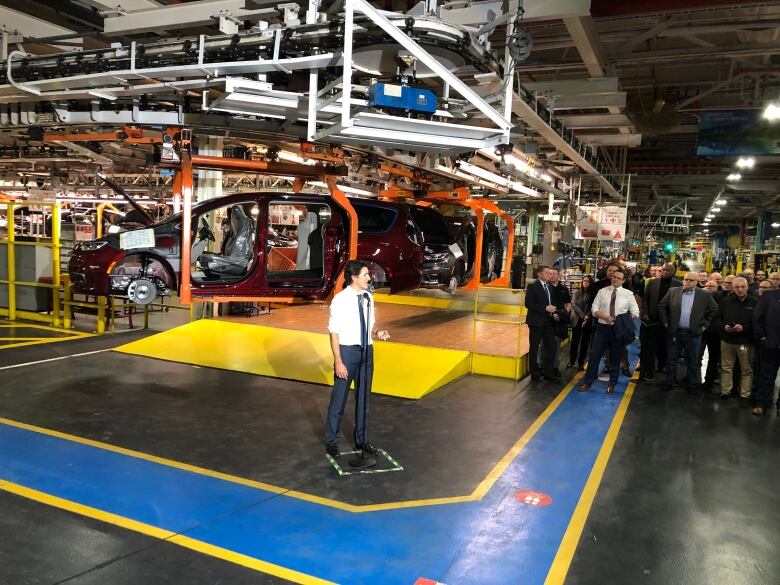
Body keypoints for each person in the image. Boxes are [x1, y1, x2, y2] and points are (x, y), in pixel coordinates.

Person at [325, 260, 390, 458]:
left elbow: (371, 325)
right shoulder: (340, 300)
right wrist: (338, 360)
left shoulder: (368, 297)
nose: (369, 278)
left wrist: (378, 332)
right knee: (339, 399)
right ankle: (332, 441)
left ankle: (361, 441)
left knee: (364, 400)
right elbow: (334, 332)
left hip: (366, 352)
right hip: (347, 353)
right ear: (353, 278)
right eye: (365, 275)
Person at [578, 269, 639, 394]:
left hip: (618, 329)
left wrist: (621, 319)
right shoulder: (602, 292)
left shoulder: (628, 294)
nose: (615, 279)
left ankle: (612, 384)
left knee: (615, 357)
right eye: (614, 277)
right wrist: (605, 316)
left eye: (618, 278)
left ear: (623, 280)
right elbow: (594, 308)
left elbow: (635, 312)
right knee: (594, 355)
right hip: (602, 328)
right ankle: (587, 382)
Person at [658, 271, 718, 393]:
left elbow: (714, 309)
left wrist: (704, 326)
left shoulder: (704, 295)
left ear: (696, 282)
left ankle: (692, 385)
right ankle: (669, 382)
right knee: (671, 358)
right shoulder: (673, 291)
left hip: (694, 333)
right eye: (685, 279)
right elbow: (661, 306)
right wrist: (665, 323)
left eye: (691, 280)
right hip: (675, 331)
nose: (687, 281)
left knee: (693, 360)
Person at [717, 277, 756, 406]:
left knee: (746, 370)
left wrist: (743, 328)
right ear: (733, 288)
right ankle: (725, 391)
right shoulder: (725, 302)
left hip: (745, 342)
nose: (740, 290)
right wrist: (724, 327)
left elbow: (758, 323)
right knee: (726, 367)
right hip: (727, 340)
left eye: (742, 287)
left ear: (747, 287)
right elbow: (717, 319)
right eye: (737, 287)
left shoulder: (755, 302)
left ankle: (745, 394)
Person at [638, 263, 681, 381]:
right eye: (663, 270)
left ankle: (663, 367)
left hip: (670, 321)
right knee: (651, 347)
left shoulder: (678, 284)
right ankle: (649, 371)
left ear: (673, 272)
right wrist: (645, 313)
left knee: (666, 346)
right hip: (653, 320)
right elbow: (645, 299)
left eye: (668, 270)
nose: (664, 272)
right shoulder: (653, 282)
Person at [524, 266, 561, 382]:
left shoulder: (549, 286)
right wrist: (544, 308)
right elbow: (528, 304)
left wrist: (553, 311)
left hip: (547, 322)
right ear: (539, 274)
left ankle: (548, 372)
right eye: (546, 273)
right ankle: (534, 374)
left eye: (550, 273)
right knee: (534, 348)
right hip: (536, 322)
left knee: (552, 345)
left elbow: (549, 302)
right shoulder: (533, 286)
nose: (549, 275)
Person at [752, 284, 780, 415]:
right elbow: (758, 317)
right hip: (770, 344)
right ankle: (761, 404)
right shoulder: (769, 295)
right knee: (766, 375)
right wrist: (762, 336)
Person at [546, 268, 571, 375]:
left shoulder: (564, 289)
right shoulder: (546, 288)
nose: (551, 275)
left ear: (558, 275)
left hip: (560, 321)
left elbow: (568, 303)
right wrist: (553, 313)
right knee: (545, 345)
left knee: (556, 345)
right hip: (548, 320)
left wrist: (564, 313)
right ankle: (545, 367)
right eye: (550, 274)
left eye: (554, 274)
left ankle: (554, 367)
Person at [700, 280, 722, 392]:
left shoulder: (721, 299)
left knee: (713, 358)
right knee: (697, 355)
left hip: (714, 333)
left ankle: (710, 380)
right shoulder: (700, 298)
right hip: (701, 331)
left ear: (717, 288)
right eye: (707, 285)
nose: (708, 287)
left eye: (711, 286)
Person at [569, 274, 594, 370]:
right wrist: (583, 316)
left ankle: (580, 363)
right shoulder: (576, 292)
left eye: (587, 281)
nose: (585, 282)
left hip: (588, 321)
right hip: (577, 320)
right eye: (584, 281)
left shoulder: (592, 294)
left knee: (584, 343)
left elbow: (592, 306)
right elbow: (574, 305)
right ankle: (571, 361)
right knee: (575, 342)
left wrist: (587, 316)